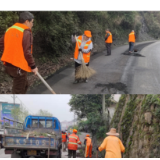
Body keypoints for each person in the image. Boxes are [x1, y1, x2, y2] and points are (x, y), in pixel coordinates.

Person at [0, 11, 38, 94]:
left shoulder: (10, 29)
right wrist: (33, 66)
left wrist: (11, 52)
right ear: (27, 21)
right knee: (18, 90)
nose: (32, 24)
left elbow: (1, 44)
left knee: (24, 85)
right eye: (32, 22)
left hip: (8, 65)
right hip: (18, 66)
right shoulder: (26, 31)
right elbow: (27, 52)